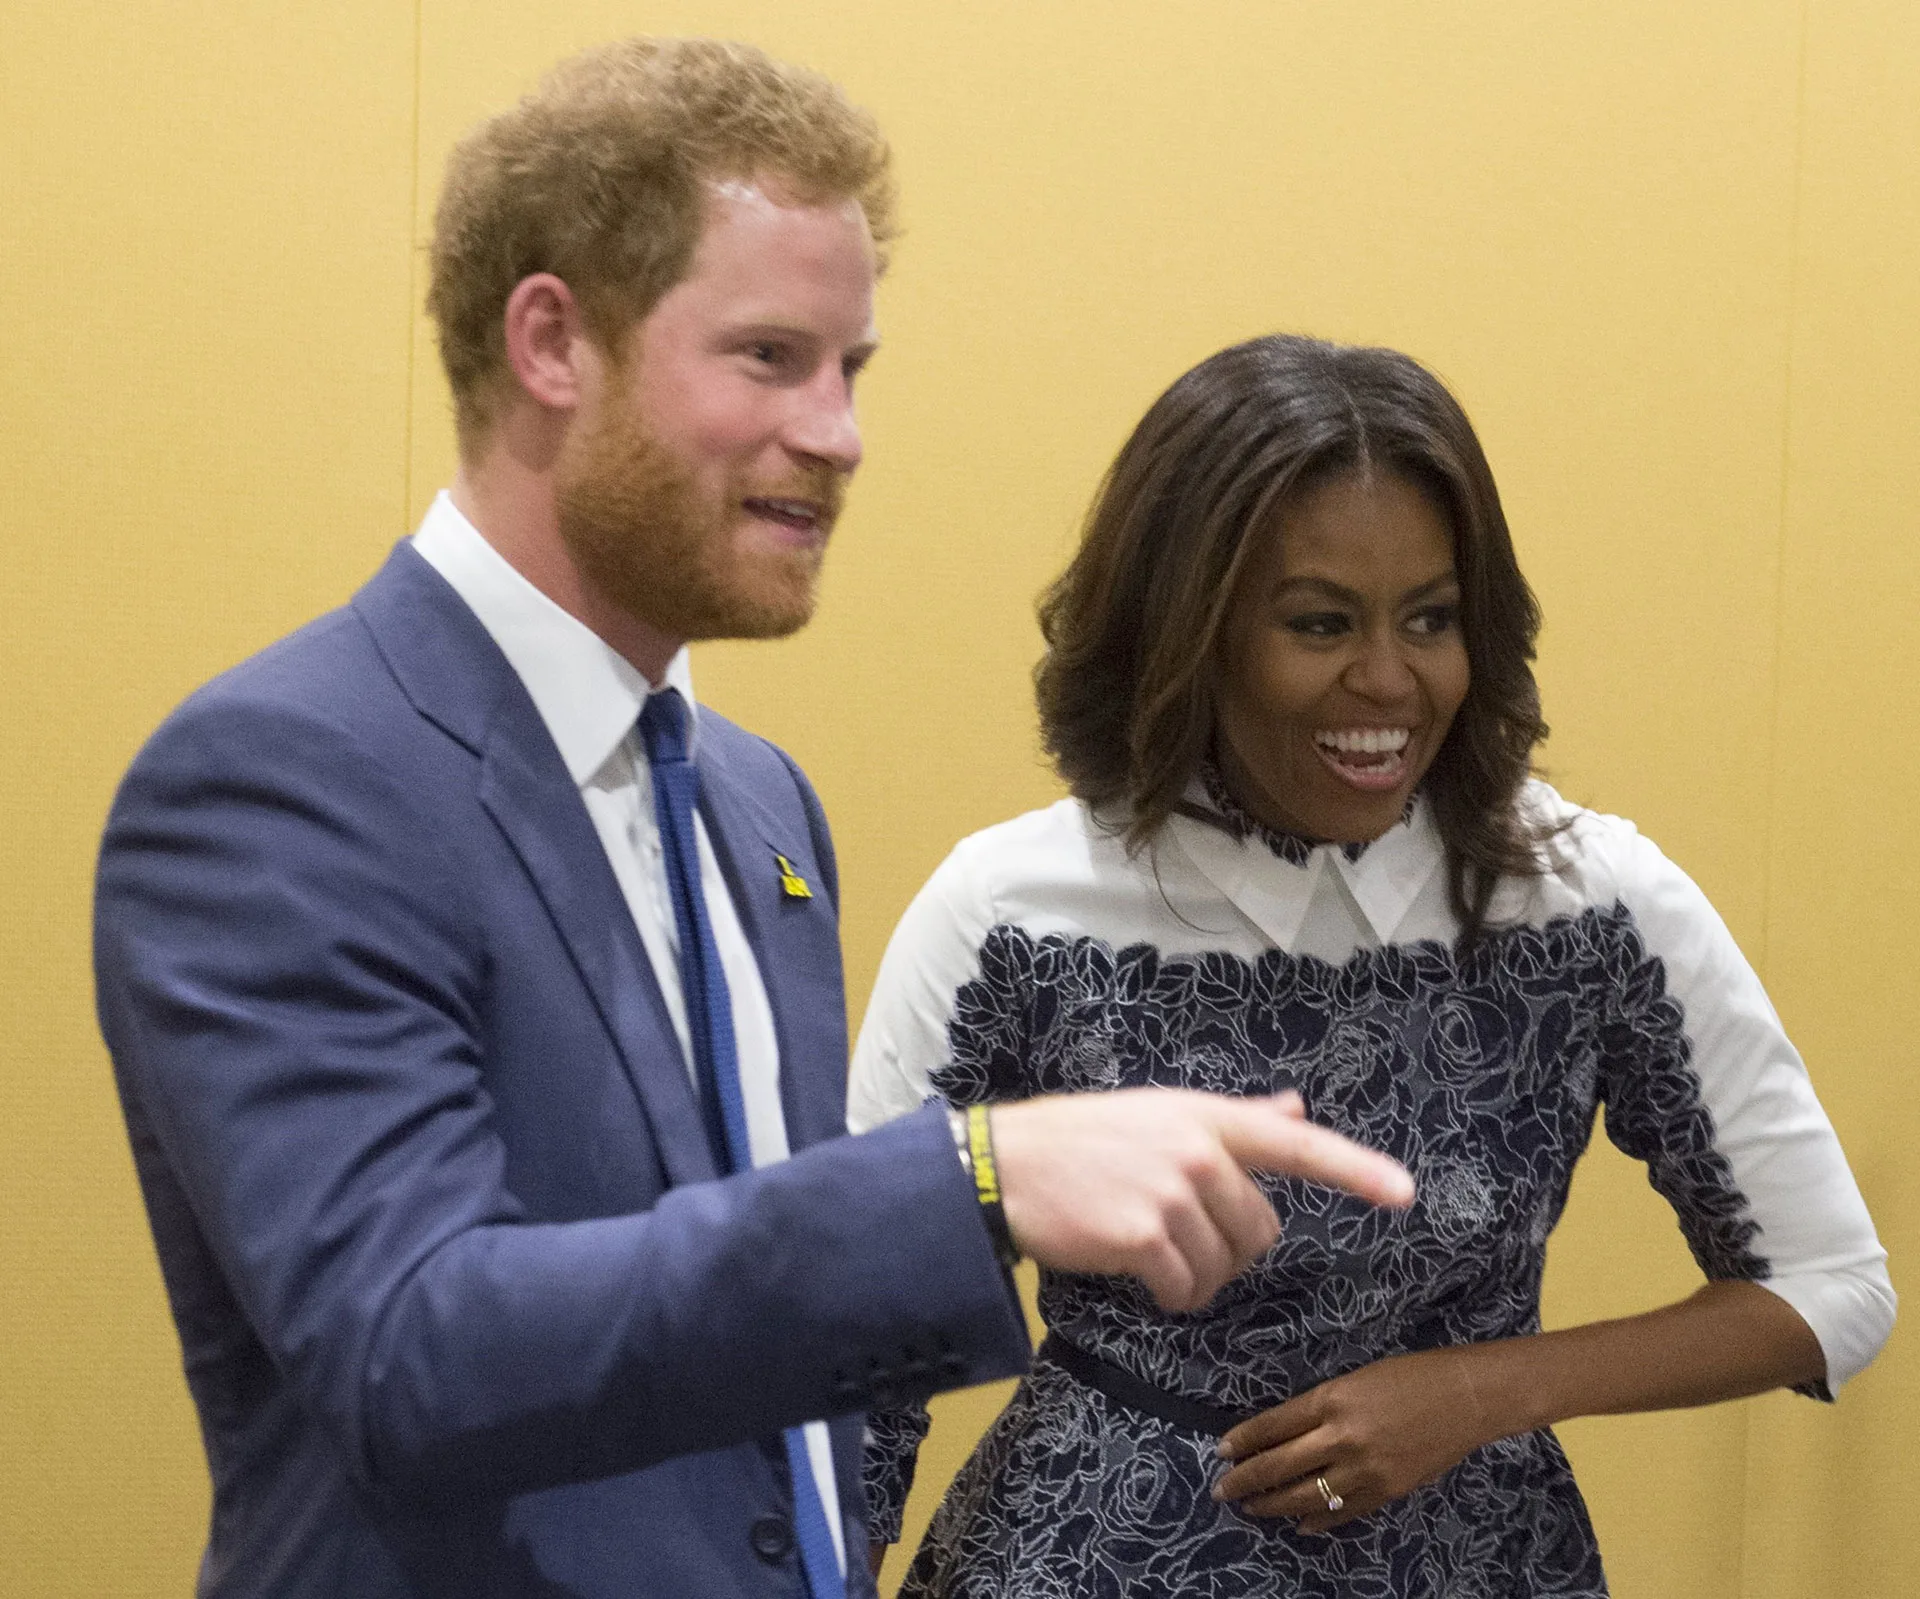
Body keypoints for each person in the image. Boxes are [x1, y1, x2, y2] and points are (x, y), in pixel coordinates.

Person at [91, 44, 1416, 1599]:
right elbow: (414, 1345)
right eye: (772, 357)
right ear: (550, 342)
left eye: (852, 367)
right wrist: (972, 1177)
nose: (839, 432)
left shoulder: (753, 801)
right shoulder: (284, 775)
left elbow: (760, 1363)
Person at [850, 333, 1896, 1597]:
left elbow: (1831, 1290)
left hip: (1484, 1560)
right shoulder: (1012, 909)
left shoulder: (1587, 899)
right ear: (1187, 631)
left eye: (1432, 620)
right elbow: (852, 1324)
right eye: (1319, 623)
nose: (1390, 682)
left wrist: (1483, 1391)